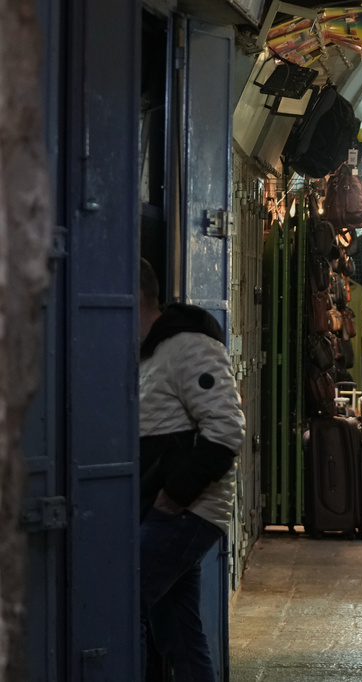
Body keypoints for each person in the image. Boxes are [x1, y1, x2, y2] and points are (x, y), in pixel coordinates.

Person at [138, 258, 245, 680]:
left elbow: (226, 430)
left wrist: (175, 495)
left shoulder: (188, 346)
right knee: (179, 633)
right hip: (172, 510)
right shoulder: (152, 350)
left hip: (187, 511)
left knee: (121, 600)